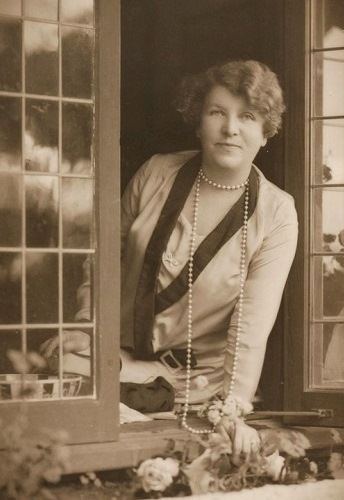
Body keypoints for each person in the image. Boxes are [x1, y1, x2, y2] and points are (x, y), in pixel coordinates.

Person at [41, 60, 298, 457]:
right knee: (57, 361)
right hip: (122, 358)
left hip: (195, 380)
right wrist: (87, 329)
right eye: (217, 112)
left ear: (266, 132)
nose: (230, 128)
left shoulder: (277, 213)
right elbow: (104, 260)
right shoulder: (156, 173)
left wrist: (233, 409)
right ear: (198, 122)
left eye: (247, 117)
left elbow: (252, 325)